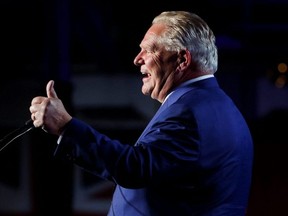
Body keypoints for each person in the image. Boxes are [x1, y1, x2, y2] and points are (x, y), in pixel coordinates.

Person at [29, 11, 254, 216]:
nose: (138, 58)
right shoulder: (221, 108)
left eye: (149, 49)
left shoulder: (189, 112)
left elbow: (135, 168)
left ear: (182, 60)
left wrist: (65, 126)